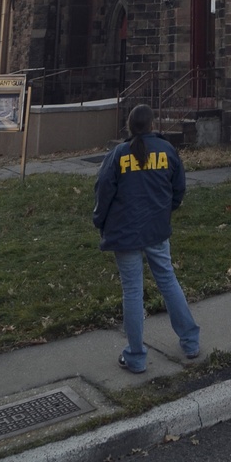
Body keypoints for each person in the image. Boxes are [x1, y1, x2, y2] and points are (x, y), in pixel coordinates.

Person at [92, 102, 200, 373]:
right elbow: (179, 188)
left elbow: (103, 191)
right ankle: (190, 342)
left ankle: (136, 356)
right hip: (156, 229)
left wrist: (100, 221)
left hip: (124, 232)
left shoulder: (119, 154)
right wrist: (165, 211)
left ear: (130, 126)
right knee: (167, 280)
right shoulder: (167, 150)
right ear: (153, 125)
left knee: (132, 291)